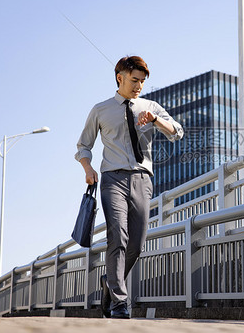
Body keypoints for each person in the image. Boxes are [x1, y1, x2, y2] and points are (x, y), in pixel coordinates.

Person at [75, 56, 184, 319]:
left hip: (142, 179)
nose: (139, 86)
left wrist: (156, 121)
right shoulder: (100, 110)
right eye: (134, 80)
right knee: (118, 236)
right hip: (112, 178)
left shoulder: (150, 106)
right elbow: (83, 146)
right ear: (120, 77)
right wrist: (88, 169)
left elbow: (177, 131)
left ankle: (109, 284)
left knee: (136, 244)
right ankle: (120, 303)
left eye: (142, 82)